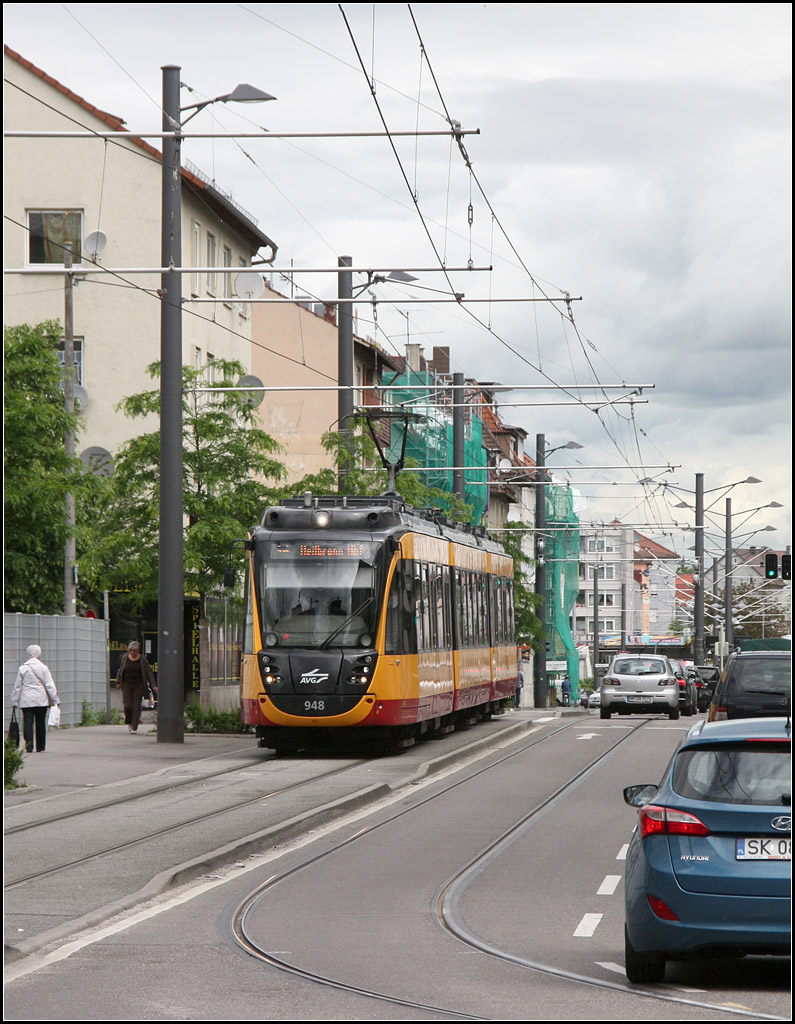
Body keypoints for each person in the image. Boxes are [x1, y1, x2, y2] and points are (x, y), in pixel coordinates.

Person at [10, 645, 60, 753]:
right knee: (40, 722)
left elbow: (17, 686)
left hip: (26, 700)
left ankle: (29, 746)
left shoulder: (23, 668)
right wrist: (56, 700)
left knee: (28, 723)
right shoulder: (43, 668)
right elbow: (49, 684)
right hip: (41, 700)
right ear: (39, 654)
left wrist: (14, 701)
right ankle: (40, 746)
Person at [116, 641, 156, 734]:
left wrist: (153, 685)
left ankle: (134, 726)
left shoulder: (142, 660)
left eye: (134, 650)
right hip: (127, 685)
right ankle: (129, 721)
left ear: (138, 650)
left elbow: (148, 672)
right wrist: (118, 682)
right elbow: (120, 670)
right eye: (130, 650)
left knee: (136, 706)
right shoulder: (125, 658)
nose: (132, 653)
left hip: (139, 685)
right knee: (127, 705)